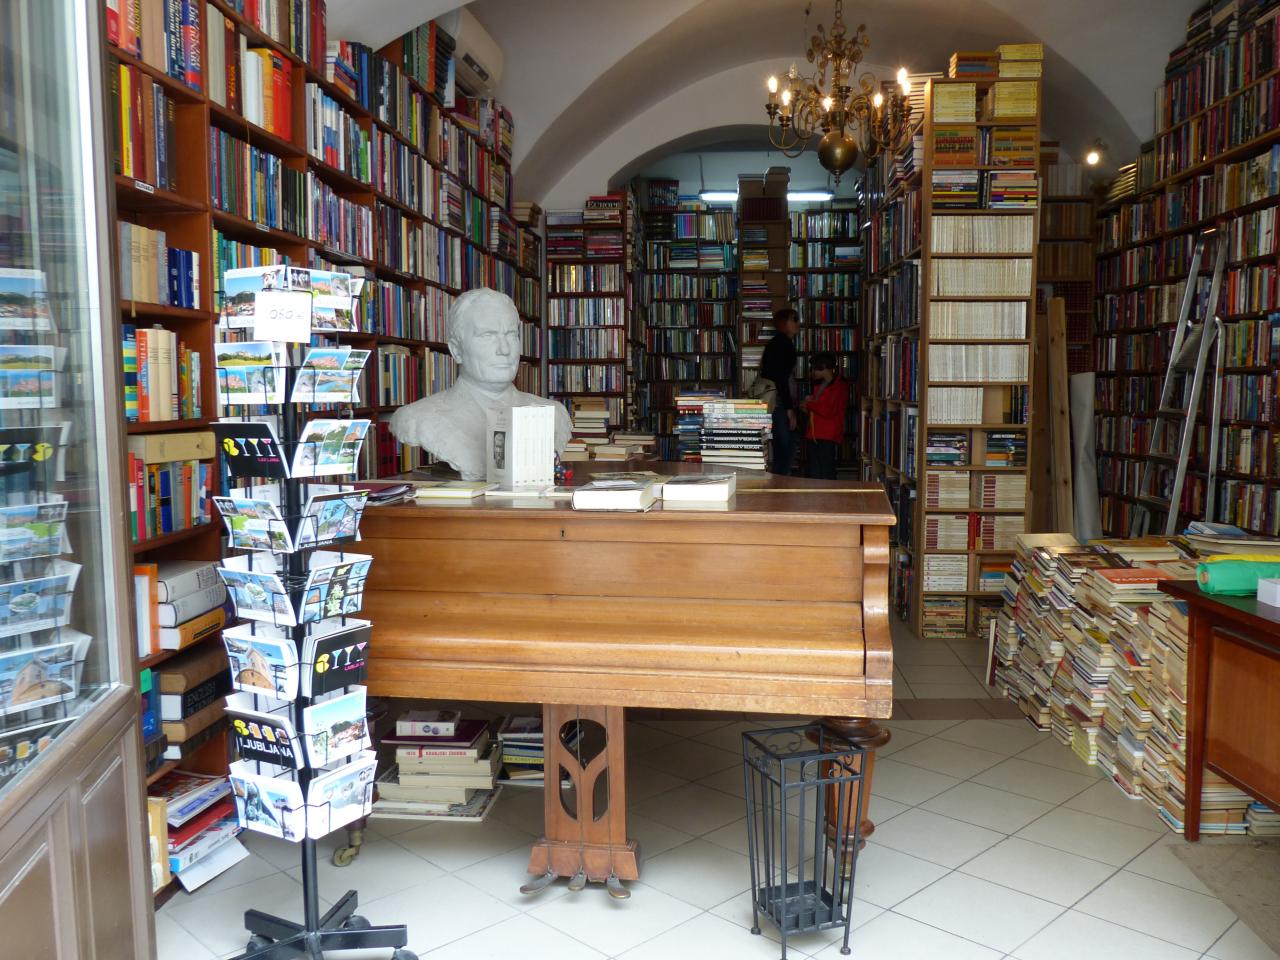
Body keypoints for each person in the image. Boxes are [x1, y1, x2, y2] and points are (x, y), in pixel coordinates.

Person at [389, 288, 571, 478]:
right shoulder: (417, 418)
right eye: (487, 335)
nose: (504, 349)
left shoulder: (555, 413)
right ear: (456, 350)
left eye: (511, 334)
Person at [759, 306, 800, 475]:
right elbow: (781, 378)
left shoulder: (777, 343)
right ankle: (781, 484)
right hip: (779, 401)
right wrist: (790, 409)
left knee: (782, 447)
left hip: (776, 400)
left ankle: (778, 482)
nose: (798, 323)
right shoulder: (783, 344)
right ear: (784, 323)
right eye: (794, 319)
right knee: (786, 447)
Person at [801, 351, 848, 480]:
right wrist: (807, 405)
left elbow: (828, 410)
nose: (813, 372)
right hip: (815, 432)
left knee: (825, 471)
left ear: (824, 367)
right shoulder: (820, 384)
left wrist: (809, 404)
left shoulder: (839, 385)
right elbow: (819, 407)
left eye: (815, 368)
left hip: (827, 434)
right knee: (814, 471)